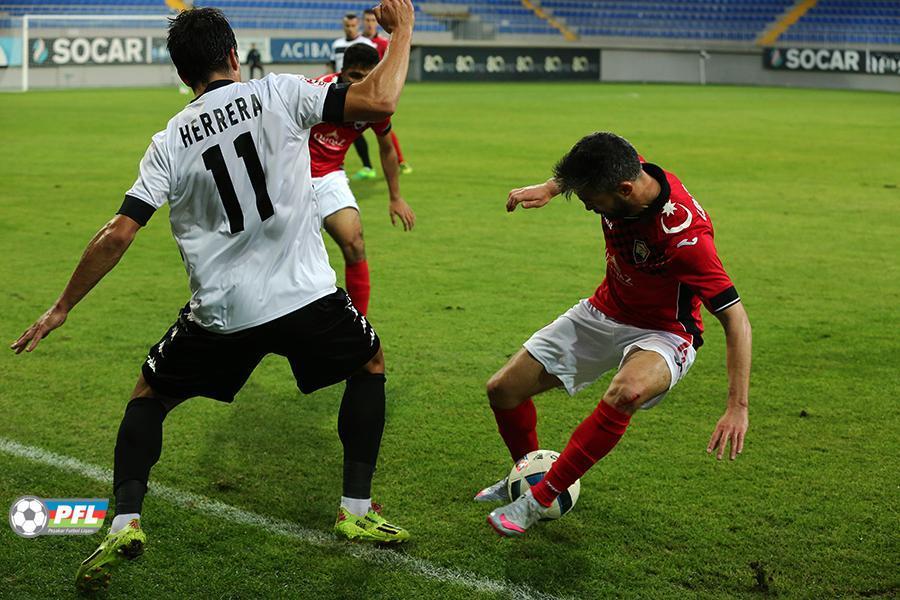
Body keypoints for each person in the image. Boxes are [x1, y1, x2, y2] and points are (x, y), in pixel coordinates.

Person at [10, 2, 416, 592]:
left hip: (223, 313)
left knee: (150, 395)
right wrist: (402, 31)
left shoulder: (169, 140)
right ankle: (355, 510)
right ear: (233, 55)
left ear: (183, 74)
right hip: (305, 296)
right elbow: (379, 101)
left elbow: (118, 233)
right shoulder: (281, 93)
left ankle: (123, 522)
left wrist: (62, 306)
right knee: (369, 363)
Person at [475, 132, 752, 537]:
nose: (588, 206)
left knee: (626, 392)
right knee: (503, 390)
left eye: (592, 200)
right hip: (605, 310)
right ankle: (529, 474)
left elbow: (736, 319)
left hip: (666, 332)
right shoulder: (626, 165)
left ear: (624, 190)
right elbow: (595, 158)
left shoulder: (685, 239)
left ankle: (539, 499)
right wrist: (552, 188)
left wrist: (737, 406)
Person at [310, 44, 415, 316]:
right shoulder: (317, 90)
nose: (360, 84)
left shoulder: (375, 103)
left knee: (355, 243)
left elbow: (387, 148)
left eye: (367, 77)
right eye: (354, 76)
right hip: (291, 177)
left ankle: (359, 324)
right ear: (341, 72)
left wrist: (395, 197)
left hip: (329, 176)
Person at [361, 7, 413, 176]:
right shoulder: (358, 43)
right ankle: (365, 167)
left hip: (377, 93)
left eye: (372, 20)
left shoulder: (384, 44)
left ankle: (400, 161)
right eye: (367, 20)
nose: (370, 24)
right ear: (363, 22)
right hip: (358, 92)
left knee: (384, 130)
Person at [330, 12, 379, 182]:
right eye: (347, 26)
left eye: (353, 25)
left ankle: (367, 166)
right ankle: (342, 166)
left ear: (358, 25)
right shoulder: (337, 44)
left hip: (360, 92)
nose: (350, 29)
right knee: (346, 131)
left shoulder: (366, 44)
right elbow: (332, 67)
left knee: (357, 131)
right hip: (338, 92)